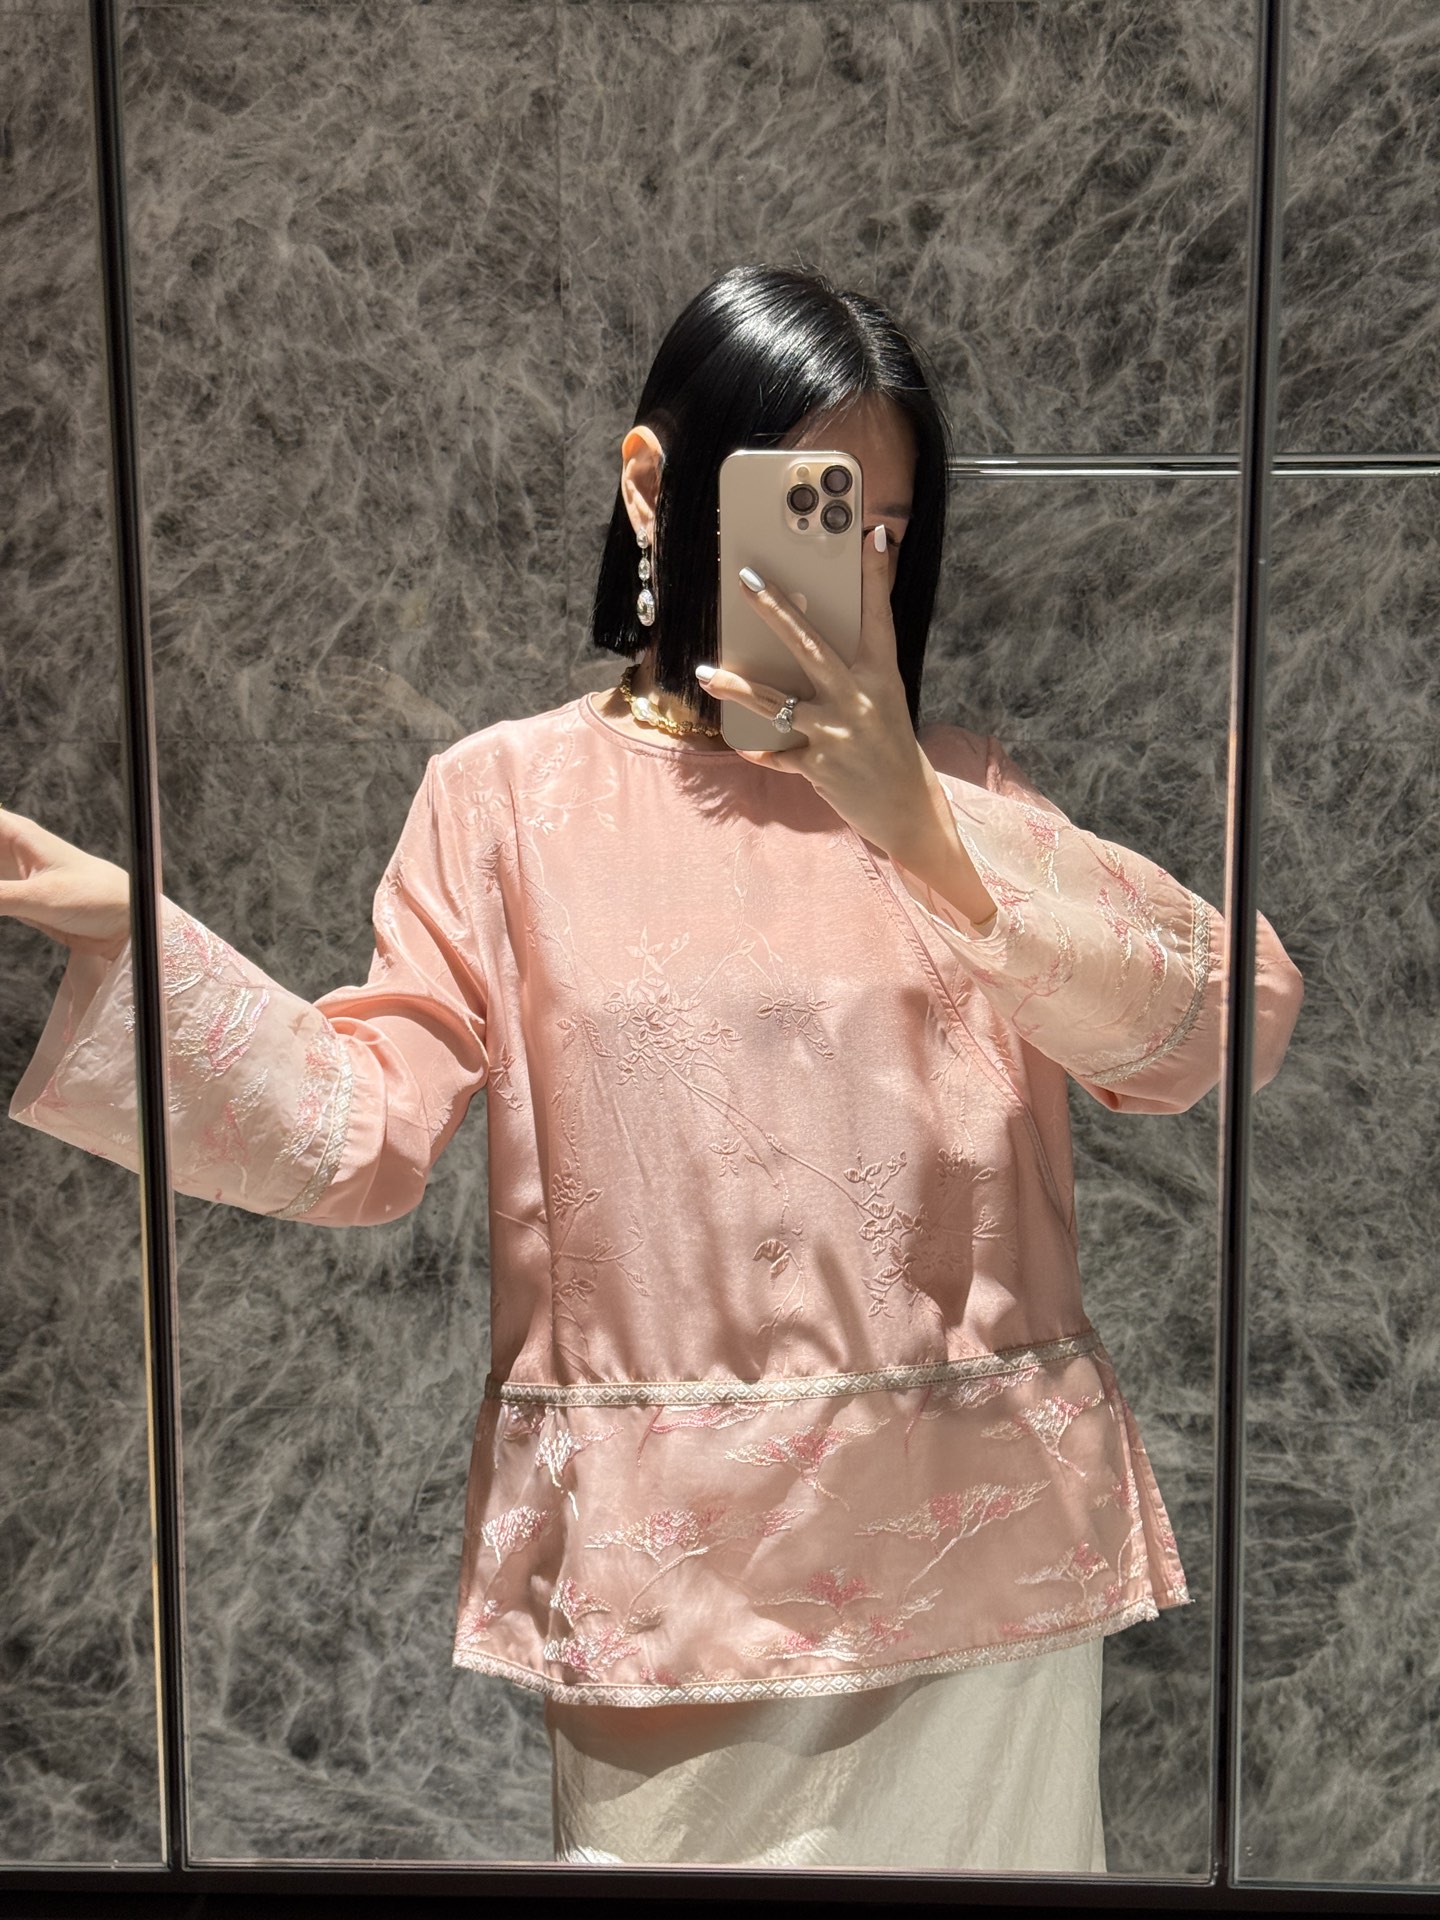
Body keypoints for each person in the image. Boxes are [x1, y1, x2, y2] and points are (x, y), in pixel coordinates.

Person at [1, 264, 1304, 1872]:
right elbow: (357, 1132)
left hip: (977, 1586)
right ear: (651, 487)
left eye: (887, 532)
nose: (855, 568)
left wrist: (923, 827)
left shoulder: (962, 800)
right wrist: (132, 945)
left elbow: (1224, 1020)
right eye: (814, 512)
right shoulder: (505, 807)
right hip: (671, 1595)